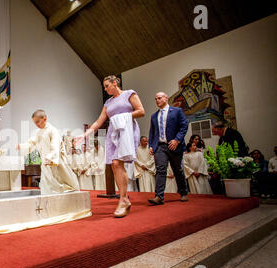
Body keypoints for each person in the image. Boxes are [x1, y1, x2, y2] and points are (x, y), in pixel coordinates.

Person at [75, 75, 145, 217]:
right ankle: (124, 199)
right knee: (114, 165)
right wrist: (84, 135)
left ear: (115, 83)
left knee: (117, 162)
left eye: (107, 86)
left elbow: (141, 111)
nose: (105, 89)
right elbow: (99, 121)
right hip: (113, 133)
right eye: (104, 87)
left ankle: (123, 199)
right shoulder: (107, 103)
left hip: (126, 131)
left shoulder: (128, 94)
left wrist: (123, 117)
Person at [17, 110, 79, 194]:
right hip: (45, 162)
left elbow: (55, 146)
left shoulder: (52, 130)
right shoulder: (38, 133)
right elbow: (31, 143)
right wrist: (21, 146)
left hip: (55, 161)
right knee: (47, 185)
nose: (37, 124)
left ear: (45, 119)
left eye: (38, 121)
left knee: (61, 183)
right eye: (35, 123)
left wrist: (50, 157)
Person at [148, 92, 189, 205]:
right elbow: (152, 132)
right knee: (160, 170)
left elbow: (184, 125)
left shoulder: (177, 111)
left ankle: (183, 192)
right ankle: (159, 196)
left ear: (166, 98)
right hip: (160, 146)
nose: (157, 100)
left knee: (177, 170)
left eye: (159, 98)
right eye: (155, 99)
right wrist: (151, 145)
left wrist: (177, 139)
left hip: (174, 145)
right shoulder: (154, 116)